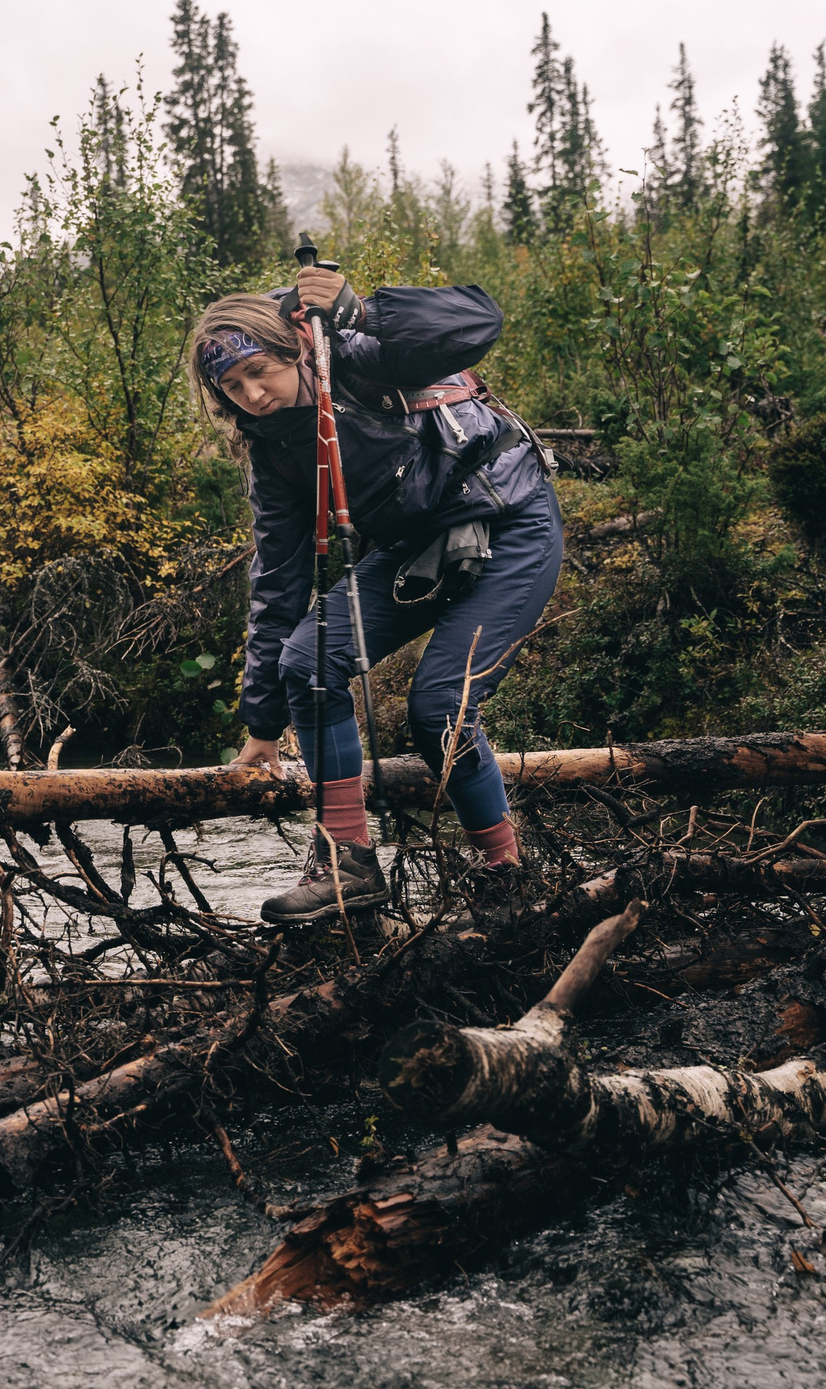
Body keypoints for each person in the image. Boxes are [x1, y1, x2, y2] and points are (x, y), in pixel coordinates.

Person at [186, 269, 564, 925]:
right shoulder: (275, 456)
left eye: (259, 370)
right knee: (307, 658)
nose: (252, 393)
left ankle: (506, 873)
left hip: (510, 524)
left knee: (439, 706)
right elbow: (278, 581)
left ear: (291, 347)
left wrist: (364, 312)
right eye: (233, 386)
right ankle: (346, 864)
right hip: (419, 548)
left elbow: (480, 315)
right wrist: (262, 727)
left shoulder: (364, 357)